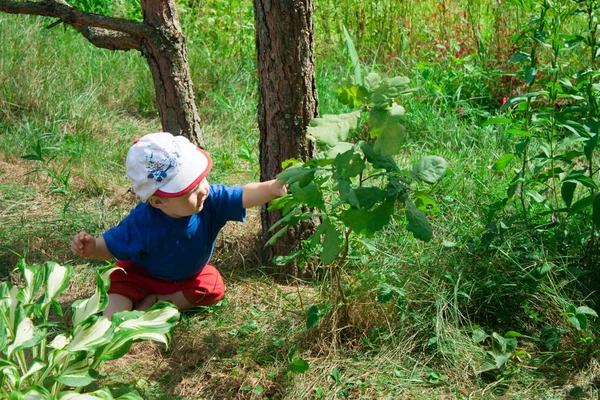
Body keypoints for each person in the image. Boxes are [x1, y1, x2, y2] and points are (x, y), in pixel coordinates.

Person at [71, 132, 286, 318]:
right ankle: (116, 324)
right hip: (141, 276)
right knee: (118, 283)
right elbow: (110, 246)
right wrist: (92, 248)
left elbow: (244, 195)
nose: (203, 190)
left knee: (213, 283)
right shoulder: (141, 223)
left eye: (202, 179)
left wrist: (272, 188)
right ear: (158, 202)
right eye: (189, 191)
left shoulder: (211, 201)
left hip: (187, 279)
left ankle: (160, 301)